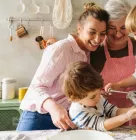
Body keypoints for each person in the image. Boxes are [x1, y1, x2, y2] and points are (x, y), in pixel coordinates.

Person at [16, 2, 110, 131]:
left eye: (102, 33)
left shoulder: (88, 52)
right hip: (40, 116)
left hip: (66, 118)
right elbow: (36, 87)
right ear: (79, 28)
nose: (97, 39)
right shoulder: (60, 49)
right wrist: (54, 108)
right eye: (92, 32)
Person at [64, 61, 136, 131]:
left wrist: (132, 109)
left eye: (99, 92)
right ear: (75, 98)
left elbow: (113, 111)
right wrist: (127, 116)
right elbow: (101, 125)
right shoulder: (78, 112)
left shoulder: (98, 99)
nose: (99, 97)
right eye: (92, 96)